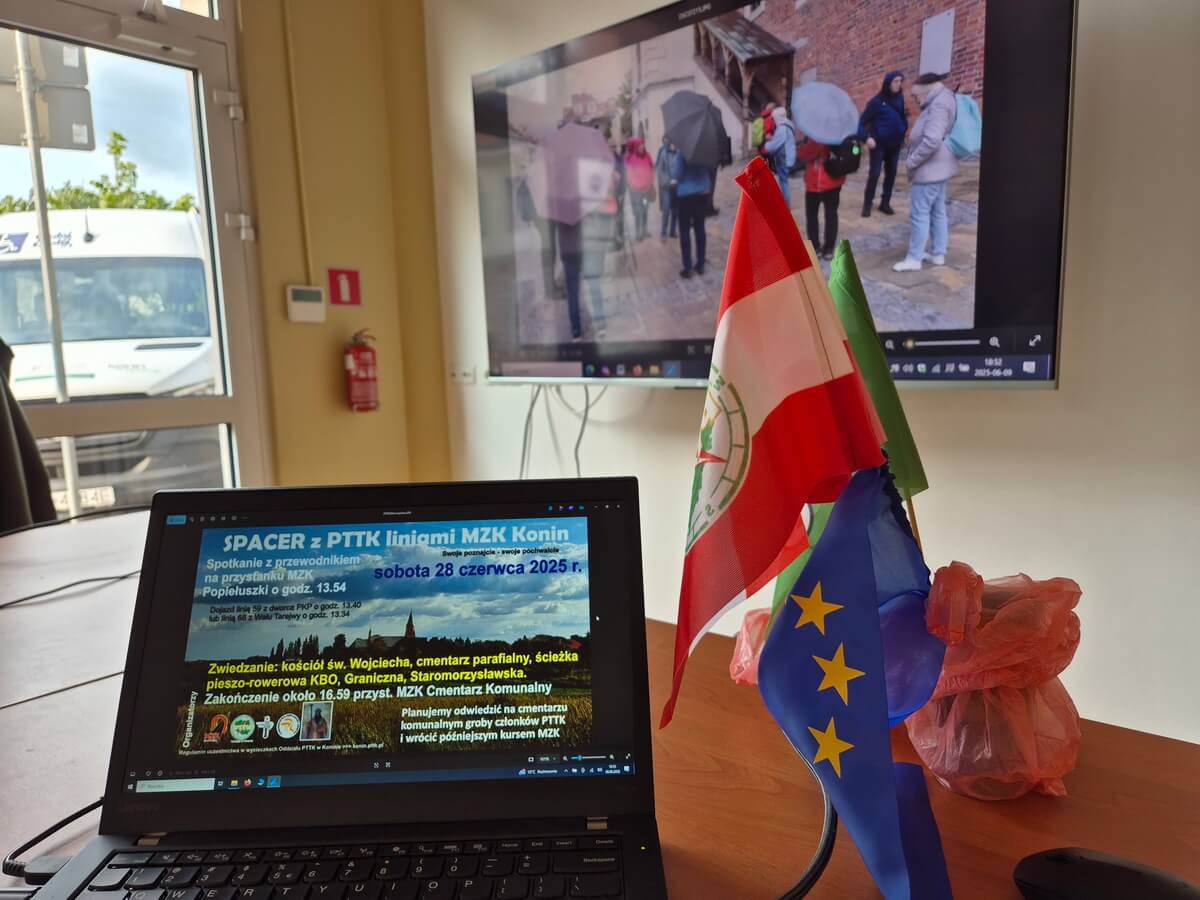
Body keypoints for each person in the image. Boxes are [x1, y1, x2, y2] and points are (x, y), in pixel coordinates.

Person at [893, 72, 958, 272]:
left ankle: (914, 258)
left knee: (919, 213)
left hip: (930, 170)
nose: (915, 100)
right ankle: (938, 253)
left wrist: (912, 161)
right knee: (937, 211)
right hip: (938, 168)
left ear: (926, 92)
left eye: (916, 96)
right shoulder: (942, 99)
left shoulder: (938, 104)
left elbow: (932, 140)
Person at [857, 70, 908, 217]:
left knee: (891, 174)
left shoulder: (899, 99)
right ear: (888, 83)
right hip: (878, 145)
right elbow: (860, 123)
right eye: (895, 81)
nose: (898, 84)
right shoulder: (876, 102)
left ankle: (885, 203)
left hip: (895, 145)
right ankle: (867, 204)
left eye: (900, 81)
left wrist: (903, 129)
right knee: (874, 174)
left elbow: (902, 116)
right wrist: (866, 138)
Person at [797, 135, 846, 260]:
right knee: (831, 214)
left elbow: (804, 154)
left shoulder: (816, 135)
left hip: (816, 182)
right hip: (834, 181)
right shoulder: (839, 134)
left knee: (812, 215)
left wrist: (802, 146)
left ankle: (815, 247)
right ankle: (829, 248)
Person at [670, 148, 712, 278]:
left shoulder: (683, 151)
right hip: (703, 191)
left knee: (684, 230)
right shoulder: (704, 150)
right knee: (700, 228)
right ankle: (700, 264)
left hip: (686, 195)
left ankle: (688, 268)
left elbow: (677, 174)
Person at [762, 106, 797, 206]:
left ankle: (786, 205)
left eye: (774, 118)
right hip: (787, 158)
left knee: (784, 182)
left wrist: (767, 144)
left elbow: (774, 145)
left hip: (784, 159)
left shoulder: (782, 128)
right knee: (783, 181)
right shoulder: (787, 126)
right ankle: (785, 203)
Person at [623, 137, 655, 241]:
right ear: (636, 147)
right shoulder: (631, 159)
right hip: (636, 191)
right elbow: (628, 175)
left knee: (645, 210)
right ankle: (638, 233)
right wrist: (634, 186)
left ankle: (644, 230)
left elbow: (651, 169)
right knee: (638, 212)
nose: (642, 147)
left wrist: (650, 182)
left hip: (646, 190)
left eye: (643, 145)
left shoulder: (647, 156)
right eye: (640, 145)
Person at [655, 139, 678, 239]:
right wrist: (666, 182)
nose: (674, 146)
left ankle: (672, 231)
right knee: (666, 210)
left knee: (675, 210)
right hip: (666, 187)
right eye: (673, 144)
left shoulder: (679, 154)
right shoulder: (664, 154)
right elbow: (660, 171)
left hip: (676, 187)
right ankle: (663, 232)